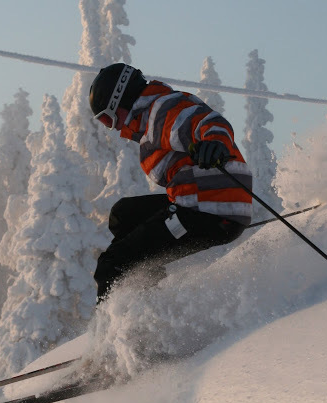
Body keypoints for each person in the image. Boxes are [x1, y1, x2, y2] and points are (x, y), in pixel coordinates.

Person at [89, 63, 252, 302]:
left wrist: (214, 143)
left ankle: (121, 328)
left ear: (120, 100)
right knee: (123, 214)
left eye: (108, 119)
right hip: (202, 202)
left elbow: (209, 123)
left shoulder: (161, 110)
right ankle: (147, 285)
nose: (113, 127)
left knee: (112, 265)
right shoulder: (151, 116)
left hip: (210, 211)